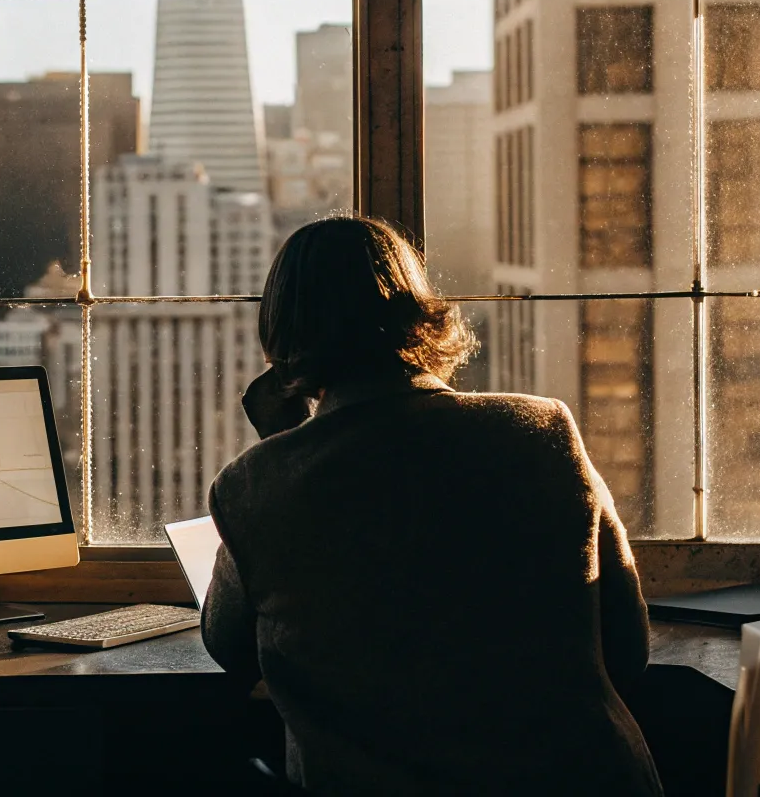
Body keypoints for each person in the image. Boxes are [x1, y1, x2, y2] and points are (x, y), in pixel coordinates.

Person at [201, 215, 663, 796]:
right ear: (416, 312)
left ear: (284, 338)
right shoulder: (542, 430)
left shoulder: (254, 485)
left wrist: (282, 450)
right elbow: (629, 649)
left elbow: (228, 646)